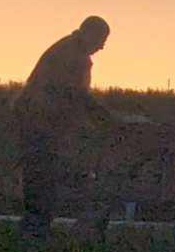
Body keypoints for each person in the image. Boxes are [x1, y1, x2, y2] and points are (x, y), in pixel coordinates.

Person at [12, 15, 115, 238]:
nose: (102, 47)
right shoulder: (73, 56)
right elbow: (75, 93)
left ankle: (35, 225)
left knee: (41, 174)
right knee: (43, 175)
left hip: (39, 121)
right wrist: (103, 116)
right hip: (41, 123)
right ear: (90, 34)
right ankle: (36, 227)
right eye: (101, 40)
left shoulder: (67, 49)